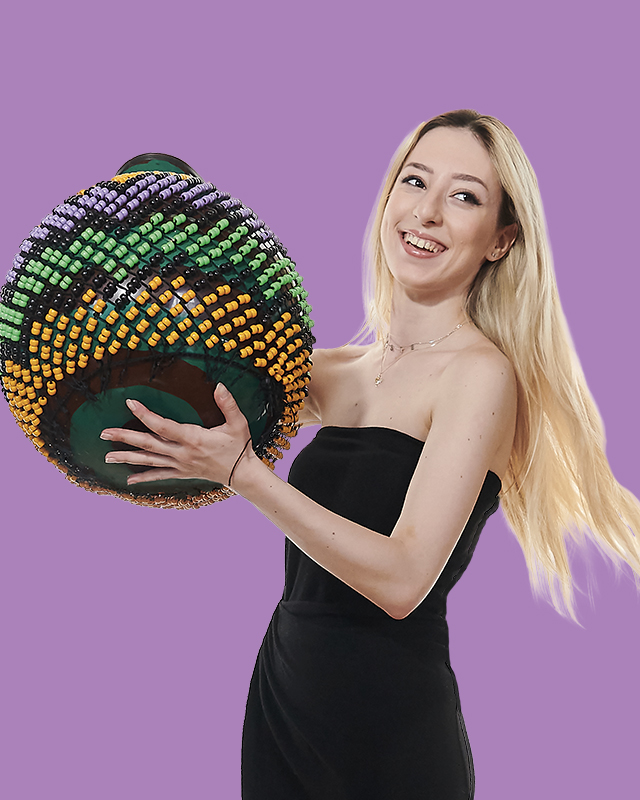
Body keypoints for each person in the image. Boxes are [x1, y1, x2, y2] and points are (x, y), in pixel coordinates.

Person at [99, 109, 640, 799]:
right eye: (415, 181)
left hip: (389, 731)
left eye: (465, 196)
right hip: (285, 704)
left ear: (501, 240)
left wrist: (241, 474)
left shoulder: (480, 376)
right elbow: (188, 362)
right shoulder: (340, 372)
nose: (429, 212)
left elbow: (402, 580)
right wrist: (160, 231)